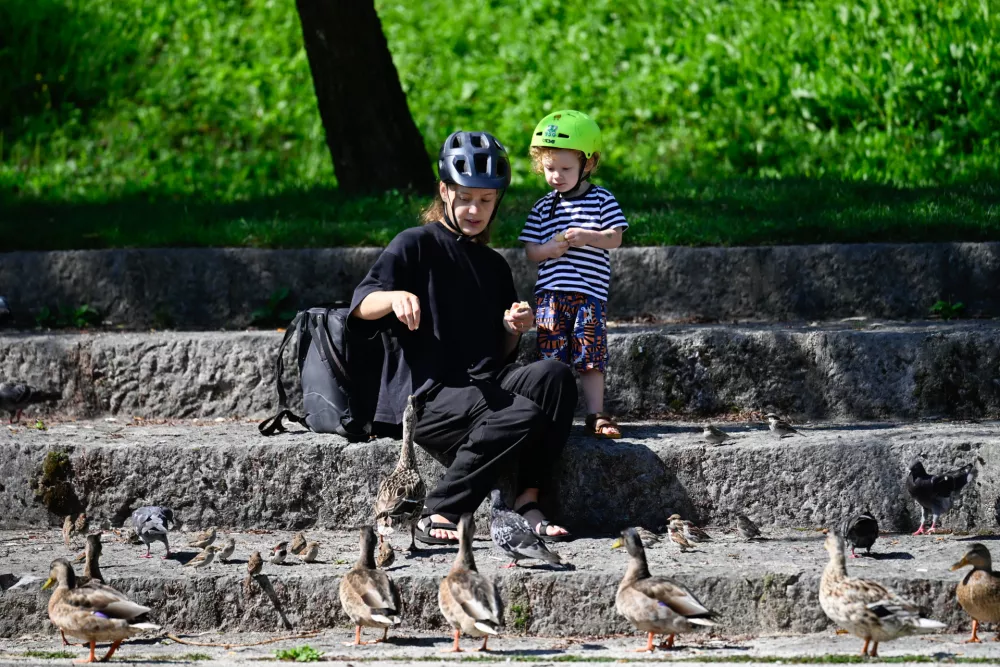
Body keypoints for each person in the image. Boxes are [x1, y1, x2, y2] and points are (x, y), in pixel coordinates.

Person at [350, 130, 576, 544]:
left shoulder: (493, 266)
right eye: (465, 197)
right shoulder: (414, 244)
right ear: (443, 190)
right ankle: (441, 509)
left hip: (478, 386)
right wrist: (394, 297)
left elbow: (501, 357)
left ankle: (527, 499)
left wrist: (512, 329)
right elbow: (361, 305)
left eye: (486, 201)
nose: (475, 209)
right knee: (519, 413)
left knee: (555, 377)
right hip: (426, 396)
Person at [519, 110, 629, 439]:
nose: (556, 176)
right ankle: (554, 413)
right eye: (549, 169)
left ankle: (596, 413)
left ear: (589, 164)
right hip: (551, 296)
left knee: (590, 355)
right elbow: (530, 250)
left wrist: (587, 237)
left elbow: (616, 238)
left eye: (566, 169)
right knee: (553, 356)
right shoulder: (543, 207)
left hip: (589, 296)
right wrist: (548, 251)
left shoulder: (601, 199)